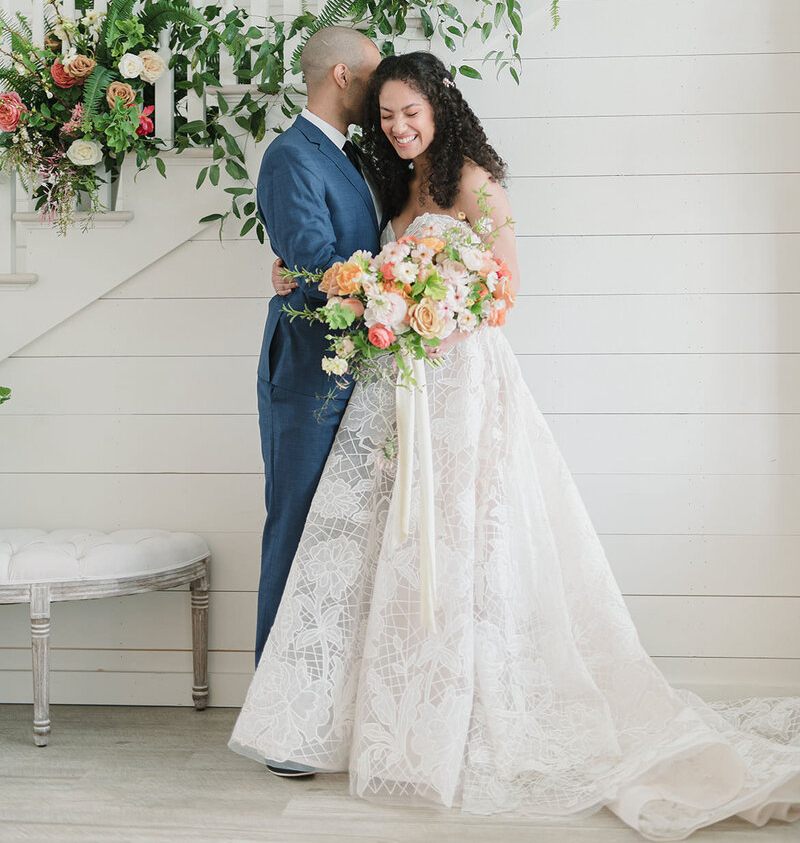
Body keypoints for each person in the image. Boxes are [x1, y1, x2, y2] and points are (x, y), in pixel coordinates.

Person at [232, 51, 800, 837]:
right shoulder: (386, 185)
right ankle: (394, 709)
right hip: (400, 384)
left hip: (464, 380)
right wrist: (316, 279)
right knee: (387, 544)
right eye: (387, 114)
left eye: (410, 114)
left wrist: (430, 298)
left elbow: (503, 288)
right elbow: (343, 259)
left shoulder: (473, 180)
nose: (397, 127)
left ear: (437, 108)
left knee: (475, 537)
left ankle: (475, 704)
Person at [252, 25, 382, 771]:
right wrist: (404, 291)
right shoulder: (290, 156)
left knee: (341, 537)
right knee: (297, 529)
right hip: (306, 371)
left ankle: (331, 708)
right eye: (369, 78)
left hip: (352, 365)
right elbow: (316, 265)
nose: (378, 91)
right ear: (341, 75)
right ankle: (279, 725)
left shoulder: (349, 155)